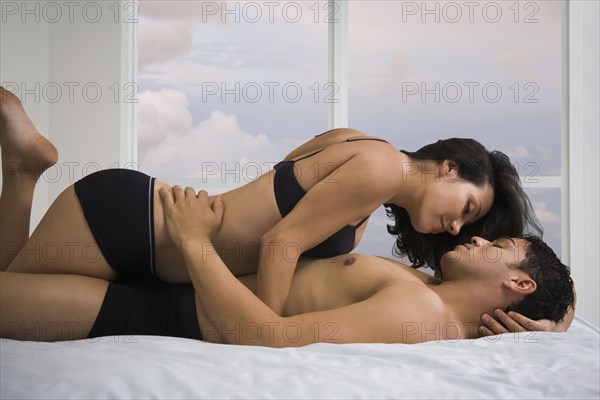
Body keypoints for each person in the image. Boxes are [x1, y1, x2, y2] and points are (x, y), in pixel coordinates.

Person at [0, 86, 541, 317]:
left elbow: (273, 199)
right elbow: (279, 242)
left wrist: (550, 317)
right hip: (133, 228)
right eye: (468, 207)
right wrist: (262, 333)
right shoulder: (380, 167)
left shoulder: (362, 157)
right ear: (449, 167)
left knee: (11, 290)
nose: (455, 227)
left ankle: (21, 172)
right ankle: (23, 168)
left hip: (146, 234)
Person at [0, 185, 575, 345]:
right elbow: (555, 294)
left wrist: (195, 241)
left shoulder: (419, 310)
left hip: (165, 310)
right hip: (168, 277)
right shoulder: (430, 293)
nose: (476, 241)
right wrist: (557, 323)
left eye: (497, 247)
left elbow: (269, 335)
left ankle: (20, 177)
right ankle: (21, 174)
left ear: (518, 281)